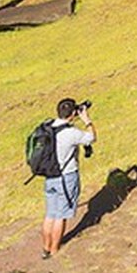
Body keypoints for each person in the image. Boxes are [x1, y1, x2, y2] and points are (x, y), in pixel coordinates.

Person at [41, 97, 97, 259]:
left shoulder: (49, 126)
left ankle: (45, 248)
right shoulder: (70, 133)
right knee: (61, 215)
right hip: (66, 177)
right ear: (73, 114)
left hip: (50, 176)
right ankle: (54, 250)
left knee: (50, 214)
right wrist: (86, 120)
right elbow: (91, 138)